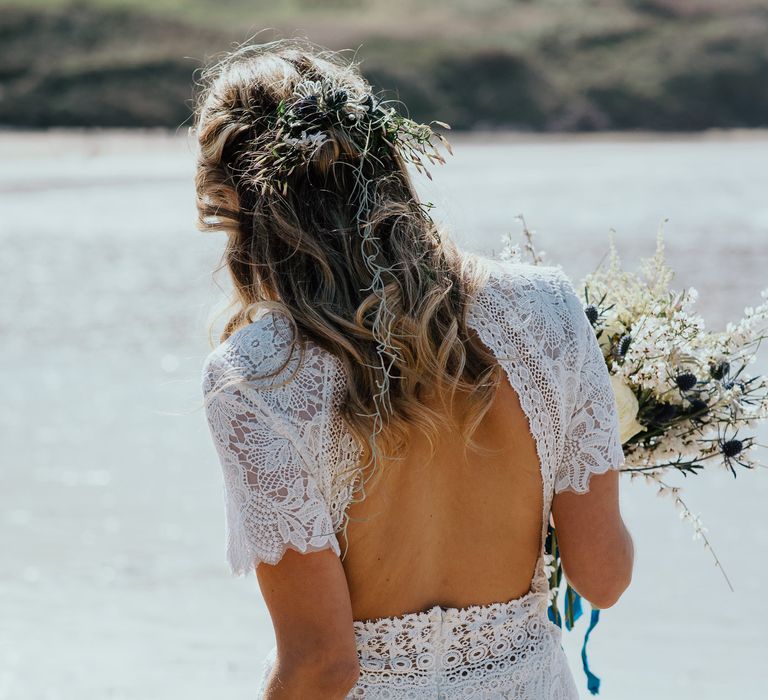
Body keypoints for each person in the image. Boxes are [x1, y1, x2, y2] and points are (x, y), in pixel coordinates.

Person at [195, 39, 633, 699]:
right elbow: (603, 576)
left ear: (238, 204)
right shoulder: (547, 310)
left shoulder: (256, 377)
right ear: (387, 162)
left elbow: (322, 666)